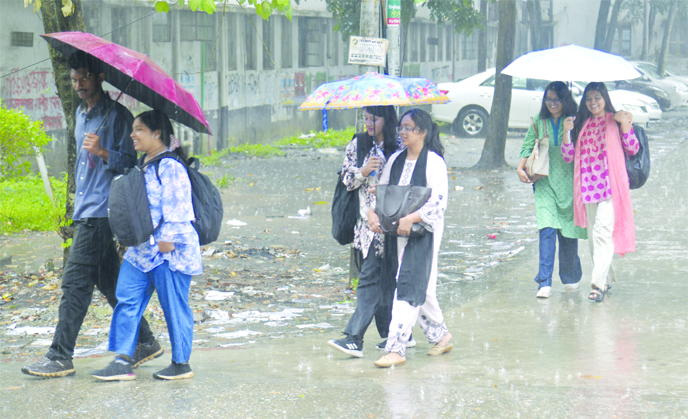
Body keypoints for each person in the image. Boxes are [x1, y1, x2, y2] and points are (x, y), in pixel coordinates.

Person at [22, 52, 161, 378]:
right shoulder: (80, 115)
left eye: (84, 77)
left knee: (74, 284)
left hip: (103, 212)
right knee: (110, 284)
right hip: (85, 210)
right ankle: (145, 341)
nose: (78, 85)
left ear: (99, 77)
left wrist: (102, 151)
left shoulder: (119, 117)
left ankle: (60, 355)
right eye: (74, 79)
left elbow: (132, 163)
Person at [91, 110, 202, 381]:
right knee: (126, 298)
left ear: (157, 133)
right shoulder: (144, 163)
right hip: (141, 251)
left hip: (168, 251)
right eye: (133, 129)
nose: (132, 134)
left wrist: (167, 242)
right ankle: (122, 360)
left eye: (139, 129)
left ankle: (181, 364)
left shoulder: (170, 166)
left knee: (173, 306)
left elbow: (179, 206)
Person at [328, 106, 413, 358]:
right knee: (382, 279)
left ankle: (355, 338)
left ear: (387, 119)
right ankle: (397, 334)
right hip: (365, 224)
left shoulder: (400, 145)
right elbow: (346, 180)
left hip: (392, 223)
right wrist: (363, 171)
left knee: (370, 279)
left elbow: (408, 182)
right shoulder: (358, 144)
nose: (368, 123)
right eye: (365, 118)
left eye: (373, 119)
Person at [372, 109, 452, 368]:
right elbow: (383, 192)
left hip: (424, 232)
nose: (402, 132)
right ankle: (440, 336)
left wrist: (413, 218)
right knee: (421, 286)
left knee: (408, 283)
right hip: (397, 233)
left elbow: (438, 203)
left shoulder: (434, 163)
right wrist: (372, 213)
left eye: (408, 127)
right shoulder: (396, 159)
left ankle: (396, 348)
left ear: (422, 132)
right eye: (401, 127)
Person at [562, 82, 638, 303]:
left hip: (611, 186)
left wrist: (625, 124)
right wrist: (566, 132)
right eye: (589, 98)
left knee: (602, 232)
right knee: (594, 239)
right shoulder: (580, 123)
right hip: (587, 188)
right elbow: (568, 156)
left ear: (605, 98)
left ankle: (597, 285)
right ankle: (606, 278)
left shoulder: (616, 119)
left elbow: (633, 148)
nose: (593, 102)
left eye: (597, 97)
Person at [516, 81, 587, 299]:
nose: (552, 103)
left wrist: (569, 130)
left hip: (569, 181)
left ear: (565, 100)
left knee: (567, 231)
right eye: (548, 99)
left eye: (557, 99)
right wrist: (520, 167)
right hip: (544, 179)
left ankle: (570, 275)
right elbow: (528, 144)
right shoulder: (539, 120)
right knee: (547, 229)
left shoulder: (576, 120)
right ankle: (544, 282)